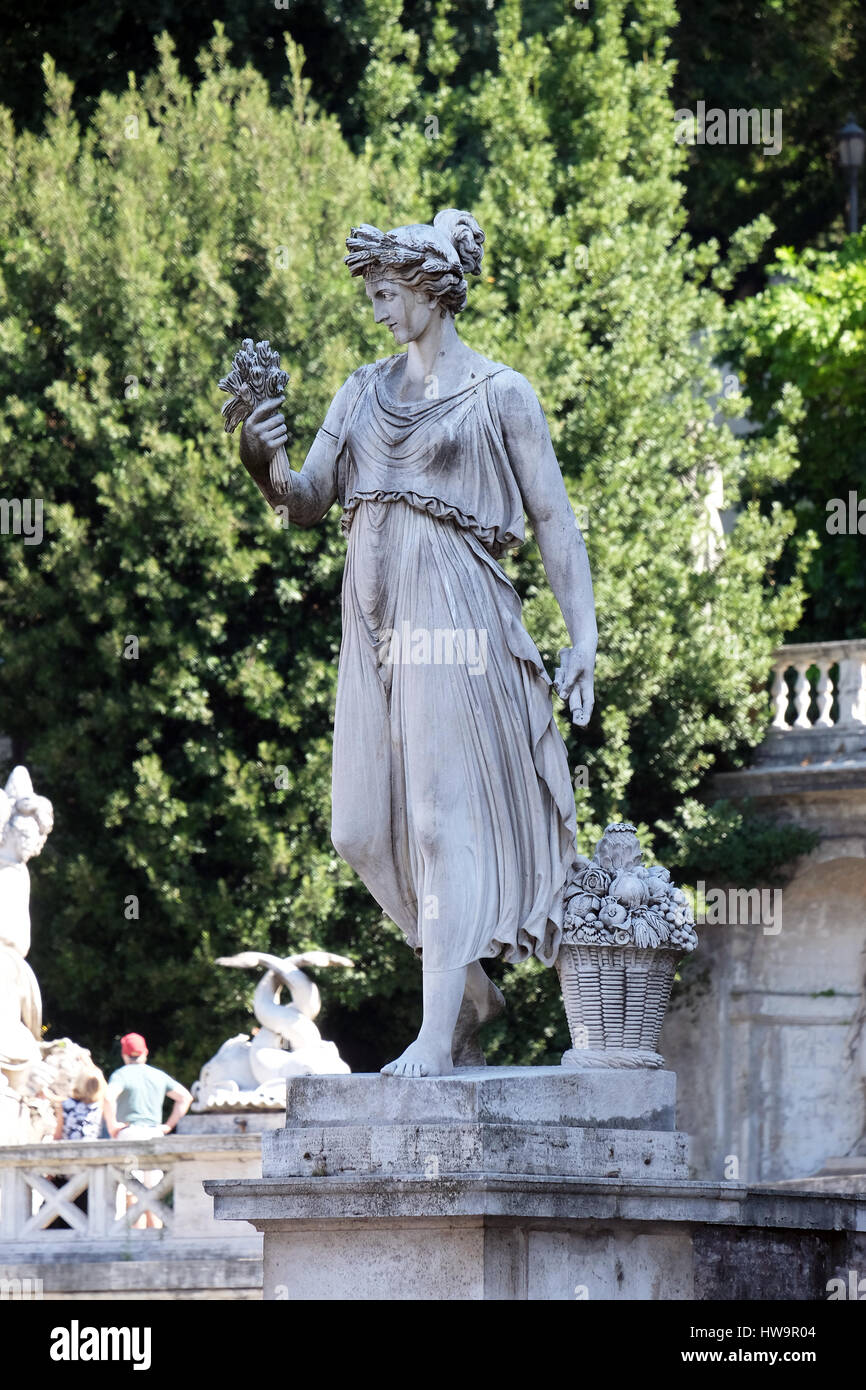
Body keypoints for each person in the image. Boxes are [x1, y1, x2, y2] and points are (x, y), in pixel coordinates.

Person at [239, 208, 597, 1078]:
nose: (378, 309)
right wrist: (261, 461)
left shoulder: (500, 392)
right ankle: (469, 984)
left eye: (389, 292)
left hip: (458, 615)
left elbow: (552, 515)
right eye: (370, 295)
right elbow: (309, 495)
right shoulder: (361, 391)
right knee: (359, 827)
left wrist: (582, 635)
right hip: (374, 625)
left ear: (434, 288)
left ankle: (438, 1037)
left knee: (441, 823)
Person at [108, 1033, 192, 1228]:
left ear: (124, 1054)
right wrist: (168, 1126)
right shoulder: (157, 1075)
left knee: (133, 1193)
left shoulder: (121, 1075)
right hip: (154, 1135)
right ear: (145, 1052)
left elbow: (108, 1097)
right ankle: (156, 1236)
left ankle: (136, 1241)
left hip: (129, 1134)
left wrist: (112, 1125)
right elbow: (184, 1097)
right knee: (153, 1193)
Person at [54, 1065, 119, 1140]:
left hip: (69, 1149)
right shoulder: (100, 1106)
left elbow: (58, 1136)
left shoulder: (65, 1105)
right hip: (92, 1149)